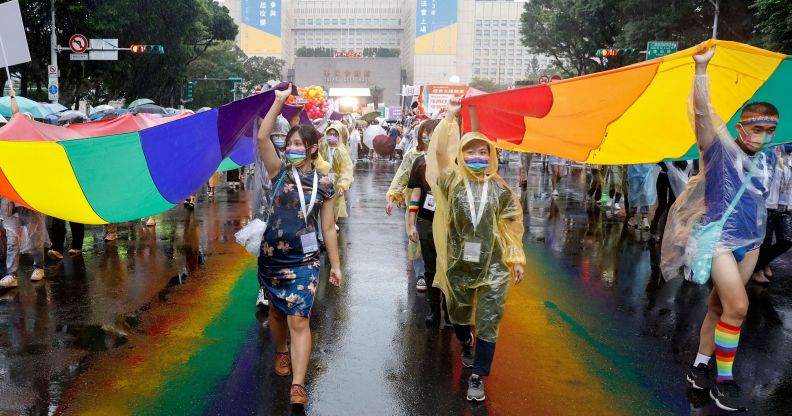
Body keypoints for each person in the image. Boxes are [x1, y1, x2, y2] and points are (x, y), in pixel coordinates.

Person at [663, 46, 781, 412]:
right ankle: (723, 382)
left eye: (769, 130)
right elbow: (701, 113)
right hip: (718, 241)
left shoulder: (771, 156)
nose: (761, 136)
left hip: (753, 242)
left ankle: (699, 366)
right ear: (741, 126)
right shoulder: (719, 150)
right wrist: (701, 72)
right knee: (740, 306)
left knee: (719, 306)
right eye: (756, 128)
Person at [426, 98, 525, 402]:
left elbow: (510, 225)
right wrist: (449, 120)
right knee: (457, 313)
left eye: (483, 152)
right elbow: (441, 154)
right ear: (462, 155)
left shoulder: (499, 188)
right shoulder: (451, 181)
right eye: (471, 151)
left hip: (493, 266)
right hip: (459, 263)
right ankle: (463, 341)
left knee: (489, 319)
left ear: (491, 155)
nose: (478, 156)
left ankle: (478, 375)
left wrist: (515, 258)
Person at [256, 84, 342, 408]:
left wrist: (335, 264)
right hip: (272, 256)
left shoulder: (327, 184)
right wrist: (278, 103)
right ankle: (281, 350)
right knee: (278, 313)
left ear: (313, 148)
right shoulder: (279, 172)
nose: (292, 148)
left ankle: (298, 385)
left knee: (299, 319)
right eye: (289, 143)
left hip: (306, 259)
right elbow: (264, 139)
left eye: (298, 144)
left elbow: (329, 228)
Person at [406, 119, 446, 322]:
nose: (430, 137)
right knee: (430, 267)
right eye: (427, 133)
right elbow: (415, 195)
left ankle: (449, 312)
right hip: (426, 221)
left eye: (435, 133)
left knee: (447, 267)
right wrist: (412, 224)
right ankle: (433, 310)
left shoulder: (455, 162)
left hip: (449, 223)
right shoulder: (419, 162)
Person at [752, 147, 792, 284]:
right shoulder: (770, 153)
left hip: (785, 206)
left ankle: (761, 263)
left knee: (787, 240)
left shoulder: (789, 157)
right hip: (767, 204)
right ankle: (758, 270)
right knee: (765, 241)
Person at [1, 197, 49, 288]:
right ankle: (12, 275)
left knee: (35, 239)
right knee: (12, 241)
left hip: (29, 203)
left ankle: (39, 267)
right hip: (9, 205)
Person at [319, 122, 354, 221]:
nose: (332, 136)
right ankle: (324, 221)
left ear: (339, 136)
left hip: (336, 180)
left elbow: (346, 168)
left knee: (335, 201)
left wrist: (343, 184)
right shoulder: (322, 147)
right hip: (323, 179)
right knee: (323, 200)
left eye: (335, 134)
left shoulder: (341, 151)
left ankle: (333, 221)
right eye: (330, 134)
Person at [627, 164, 659, 229]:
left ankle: (644, 218)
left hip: (646, 170)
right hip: (634, 171)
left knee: (645, 194)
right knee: (633, 194)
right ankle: (632, 217)